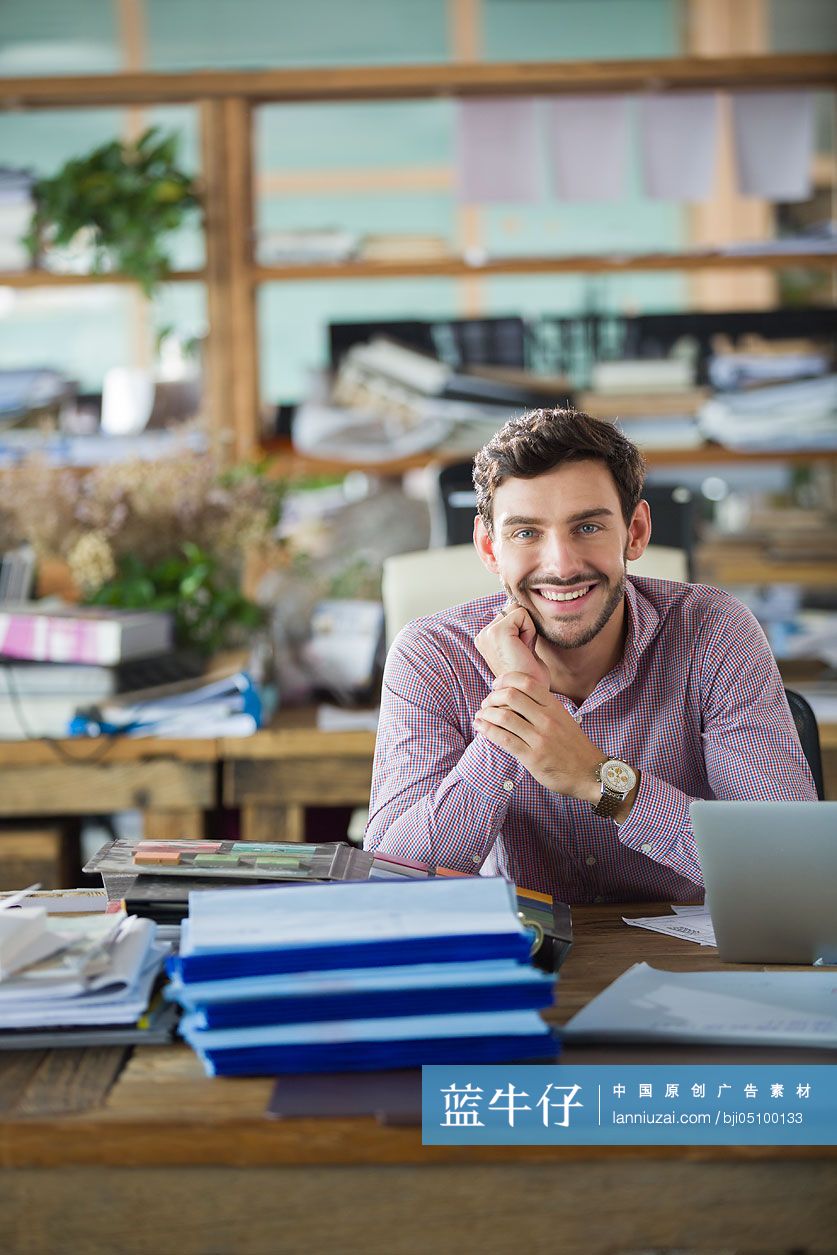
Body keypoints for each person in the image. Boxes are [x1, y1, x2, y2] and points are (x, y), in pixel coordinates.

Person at [364, 407, 816, 904]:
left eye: (587, 528)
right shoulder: (431, 656)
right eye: (525, 533)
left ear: (636, 532)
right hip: (524, 964)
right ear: (489, 548)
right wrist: (517, 710)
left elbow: (790, 874)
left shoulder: (713, 632)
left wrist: (603, 781)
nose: (561, 566)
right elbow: (393, 883)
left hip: (692, 960)